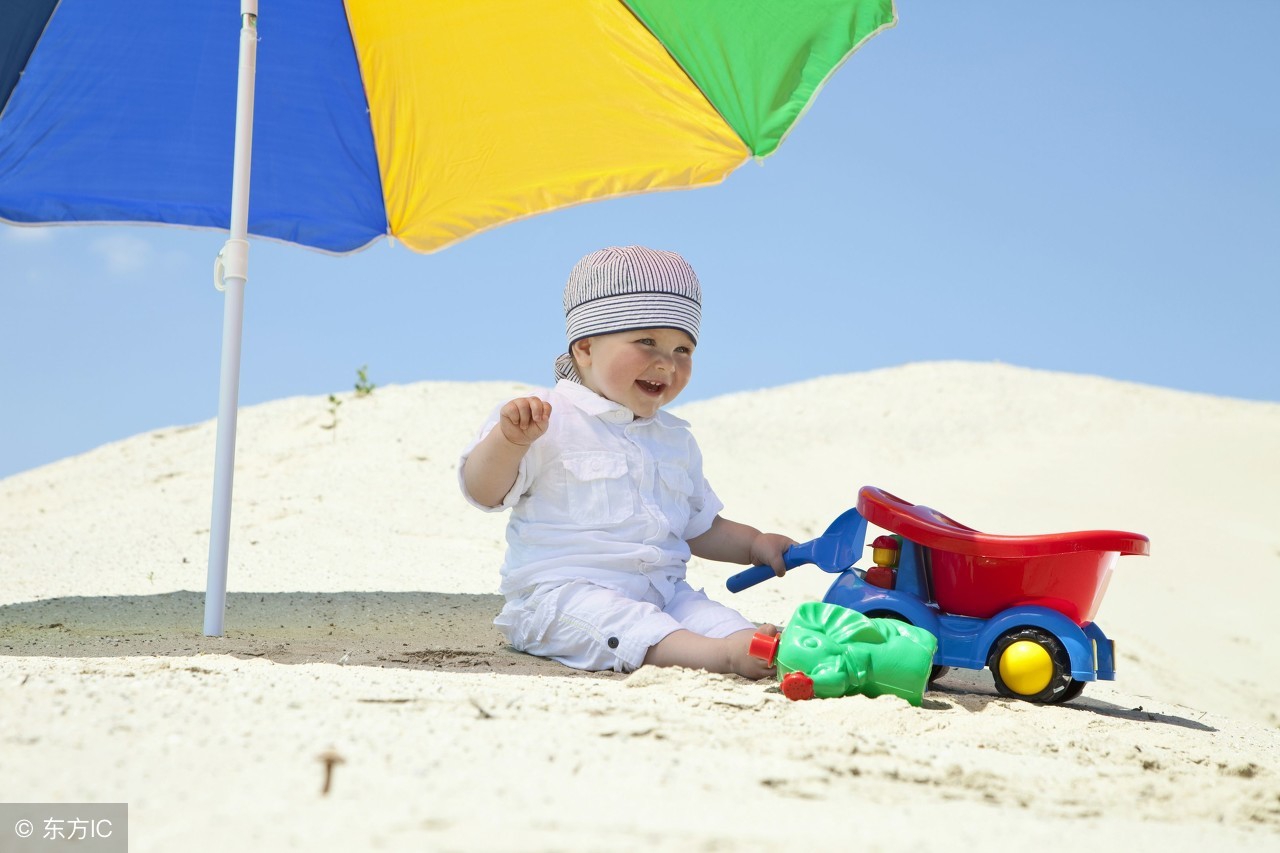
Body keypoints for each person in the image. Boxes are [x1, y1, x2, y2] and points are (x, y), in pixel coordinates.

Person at [459, 245, 795, 679]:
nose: (666, 363)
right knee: (639, 628)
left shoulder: (674, 438)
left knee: (724, 623)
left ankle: (750, 648)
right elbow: (483, 491)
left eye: (683, 349)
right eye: (647, 342)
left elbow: (698, 526)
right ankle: (720, 658)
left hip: (662, 592)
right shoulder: (542, 415)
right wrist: (508, 442)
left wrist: (753, 545)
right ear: (584, 348)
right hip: (563, 598)